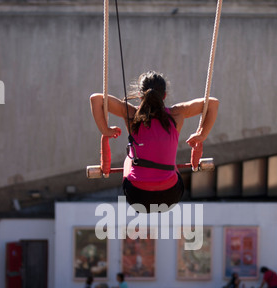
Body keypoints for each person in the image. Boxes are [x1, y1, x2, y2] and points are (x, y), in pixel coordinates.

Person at [90, 70, 219, 213]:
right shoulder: (177, 114)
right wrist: (202, 135)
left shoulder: (131, 114)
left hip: (138, 197)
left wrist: (106, 131)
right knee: (169, 164)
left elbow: (96, 99)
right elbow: (213, 104)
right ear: (164, 95)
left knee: (130, 158)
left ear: (140, 95)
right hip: (171, 196)